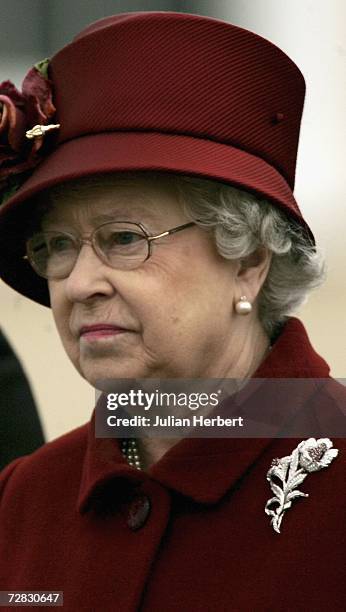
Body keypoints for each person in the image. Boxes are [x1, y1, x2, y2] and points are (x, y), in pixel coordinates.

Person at [0, 12, 344, 611]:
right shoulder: (22, 500)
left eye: (125, 239)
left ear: (248, 260)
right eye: (57, 246)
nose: (80, 284)